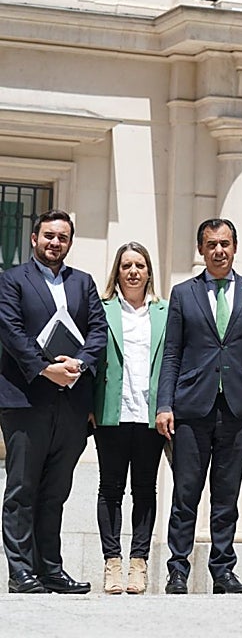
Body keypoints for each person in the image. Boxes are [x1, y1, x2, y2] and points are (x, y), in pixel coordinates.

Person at [156, 218, 242, 594]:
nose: (219, 251)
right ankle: (178, 570)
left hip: (238, 407)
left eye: (225, 244)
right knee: (185, 492)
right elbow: (171, 353)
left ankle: (223, 571)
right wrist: (164, 405)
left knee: (227, 494)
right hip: (191, 407)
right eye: (211, 245)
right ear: (201, 250)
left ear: (235, 248)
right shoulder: (183, 294)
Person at [0, 209, 106, 594]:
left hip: (73, 402)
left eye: (62, 237)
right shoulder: (12, 280)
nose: (54, 243)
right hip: (26, 399)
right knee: (22, 489)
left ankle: (50, 569)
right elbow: (10, 332)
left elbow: (98, 329)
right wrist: (46, 369)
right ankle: (20, 572)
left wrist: (79, 362)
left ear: (70, 242)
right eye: (48, 236)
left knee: (56, 491)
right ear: (34, 238)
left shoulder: (84, 283)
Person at [94, 241, 168, 595]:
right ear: (117, 272)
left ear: (149, 271)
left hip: (150, 414)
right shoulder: (103, 308)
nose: (134, 271)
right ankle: (112, 561)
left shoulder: (164, 311)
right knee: (110, 488)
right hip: (112, 411)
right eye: (127, 266)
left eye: (140, 265)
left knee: (144, 489)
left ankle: (138, 563)